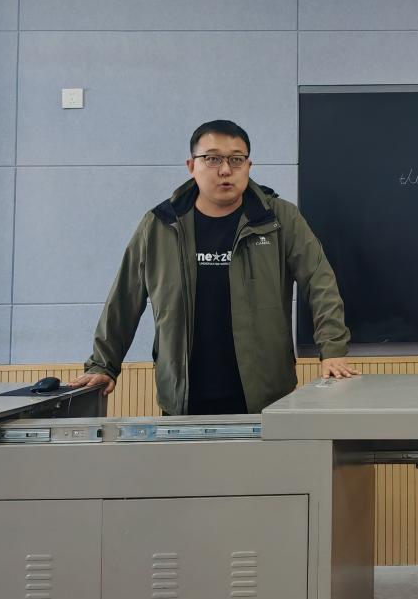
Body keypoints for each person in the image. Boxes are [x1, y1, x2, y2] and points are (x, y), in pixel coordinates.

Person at [71, 119, 357, 414]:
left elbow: (319, 282)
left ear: (248, 165)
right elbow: (124, 298)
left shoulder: (279, 219)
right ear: (191, 165)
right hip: (182, 397)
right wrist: (103, 365)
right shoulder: (159, 225)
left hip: (266, 397)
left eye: (236, 159)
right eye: (212, 159)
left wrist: (332, 349)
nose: (225, 170)